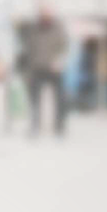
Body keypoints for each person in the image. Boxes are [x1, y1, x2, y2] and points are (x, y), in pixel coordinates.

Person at [24, 7, 68, 136]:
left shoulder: (58, 28)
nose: (44, 17)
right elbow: (29, 49)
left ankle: (59, 126)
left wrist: (59, 60)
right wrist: (29, 69)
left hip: (54, 68)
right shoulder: (34, 29)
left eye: (46, 14)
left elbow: (64, 46)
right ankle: (35, 125)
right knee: (34, 99)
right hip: (37, 68)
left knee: (60, 97)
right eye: (42, 14)